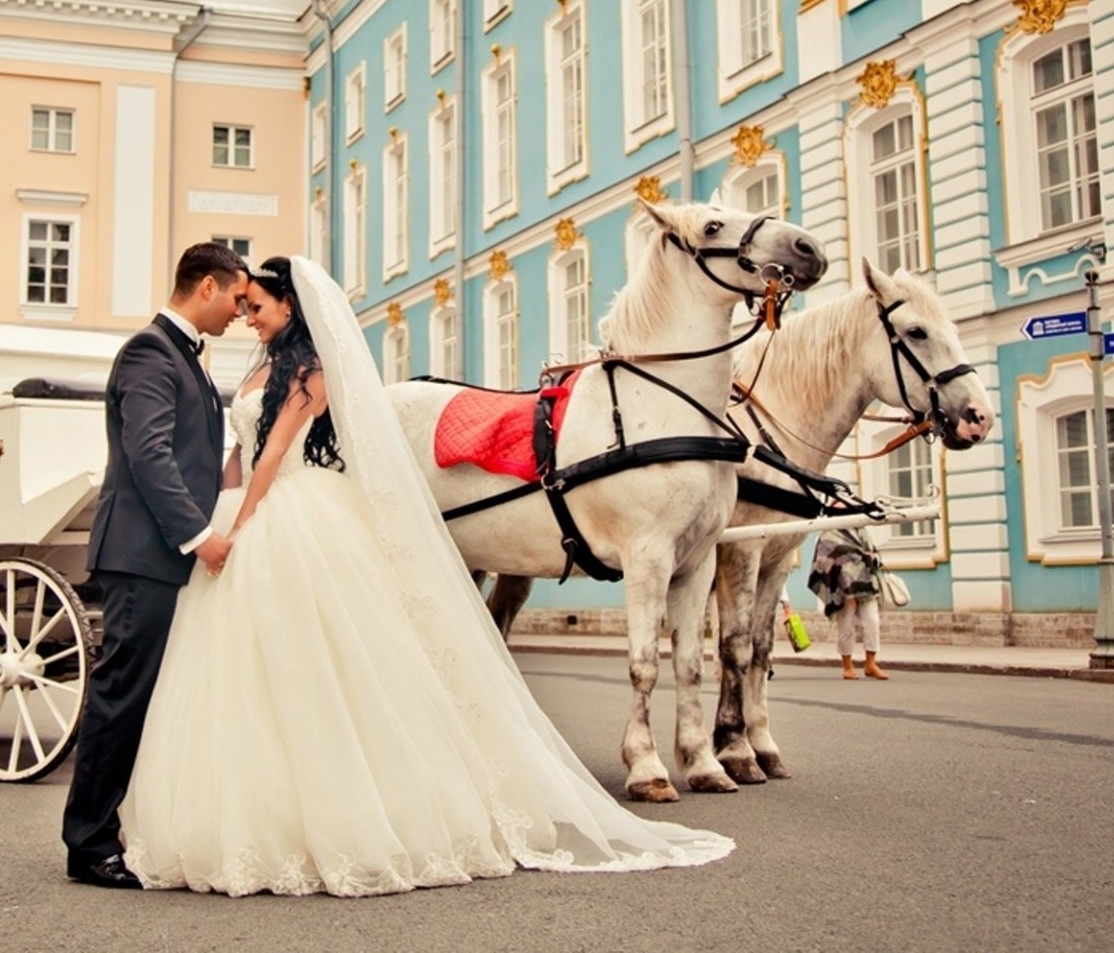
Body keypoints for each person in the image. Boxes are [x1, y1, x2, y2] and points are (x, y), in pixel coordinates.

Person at [118, 255, 733, 897]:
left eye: (259, 307)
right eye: (243, 308)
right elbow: (244, 452)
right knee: (250, 671)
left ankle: (344, 807)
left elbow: (275, 452)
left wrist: (239, 526)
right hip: (262, 511)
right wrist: (215, 514)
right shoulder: (261, 370)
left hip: (294, 513)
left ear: (290, 307)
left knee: (325, 669)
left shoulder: (309, 371)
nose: (248, 317)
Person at [61, 242, 249, 889]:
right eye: (233, 297)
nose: (237, 311)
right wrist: (199, 536)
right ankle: (87, 842)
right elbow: (148, 453)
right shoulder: (150, 352)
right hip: (142, 554)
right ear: (205, 287)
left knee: (142, 696)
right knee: (120, 696)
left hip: (158, 553)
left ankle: (112, 828)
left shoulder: (183, 356)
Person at [807, 526, 889, 680]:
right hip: (843, 588)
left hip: (866, 584)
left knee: (872, 621)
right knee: (846, 626)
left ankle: (871, 664)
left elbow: (876, 553)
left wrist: (872, 558)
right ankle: (847, 666)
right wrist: (841, 573)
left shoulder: (861, 529)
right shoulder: (829, 534)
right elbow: (822, 561)